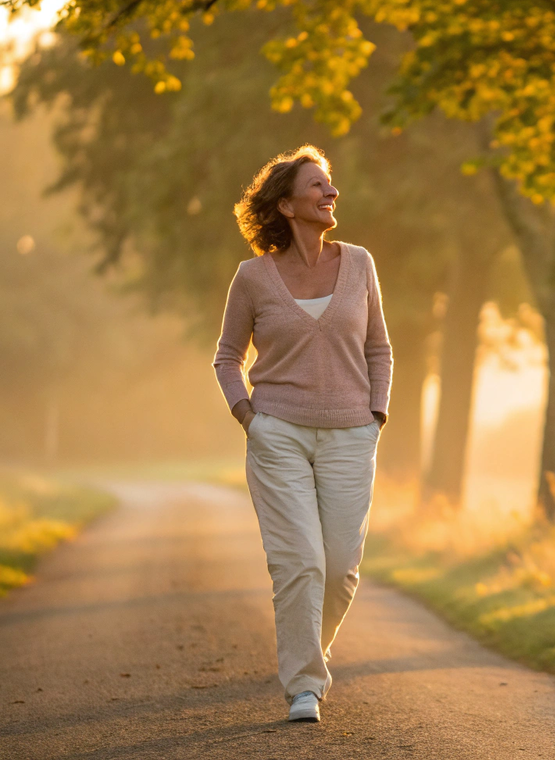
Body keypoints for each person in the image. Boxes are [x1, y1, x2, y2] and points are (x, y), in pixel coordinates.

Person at [213, 145, 392, 723]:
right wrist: (249, 418)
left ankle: (308, 655)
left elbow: (379, 349)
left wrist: (376, 416)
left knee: (339, 568)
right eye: (317, 186)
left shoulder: (360, 264)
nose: (330, 193)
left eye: (330, 184)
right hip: (279, 434)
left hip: (349, 435)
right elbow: (227, 356)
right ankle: (303, 686)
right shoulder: (252, 278)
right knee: (300, 564)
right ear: (287, 206)